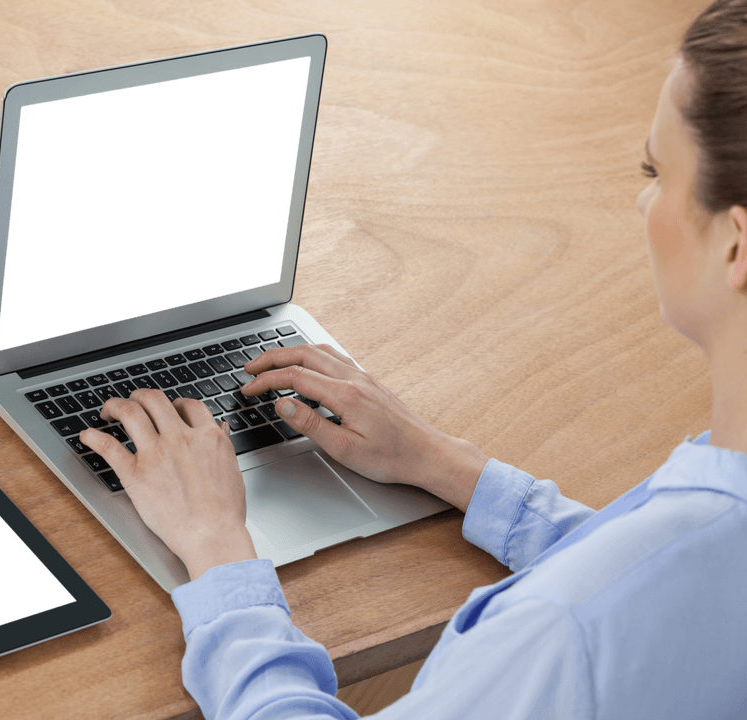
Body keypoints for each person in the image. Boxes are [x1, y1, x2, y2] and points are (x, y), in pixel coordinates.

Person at [79, 0, 747, 716]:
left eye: (656, 170)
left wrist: (216, 549)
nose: (645, 202)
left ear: (737, 245)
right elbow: (675, 598)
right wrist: (449, 465)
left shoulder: (562, 630)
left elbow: (611, 613)